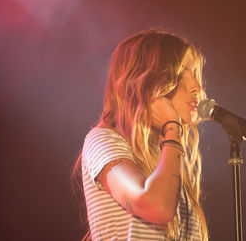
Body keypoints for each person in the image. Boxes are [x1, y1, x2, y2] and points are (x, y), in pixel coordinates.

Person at [75, 29, 208, 241]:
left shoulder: (166, 158)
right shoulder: (103, 140)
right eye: (184, 71)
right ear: (151, 81)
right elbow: (157, 206)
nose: (197, 87)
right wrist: (172, 126)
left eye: (196, 74)